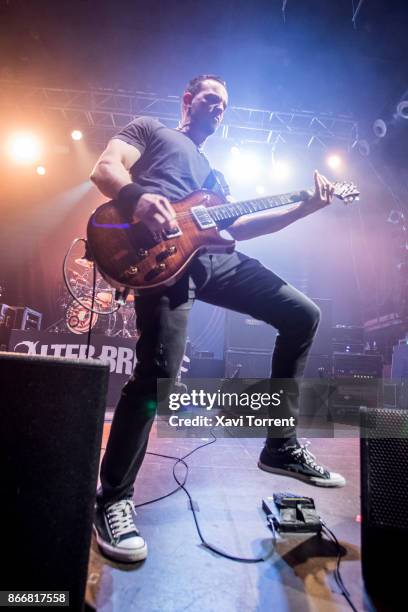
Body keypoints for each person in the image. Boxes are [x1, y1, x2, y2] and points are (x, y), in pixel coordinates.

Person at [90, 74, 345, 563]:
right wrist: (136, 197)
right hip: (159, 256)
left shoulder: (215, 177)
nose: (219, 108)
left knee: (302, 314)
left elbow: (238, 226)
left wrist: (304, 208)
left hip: (211, 259)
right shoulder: (150, 131)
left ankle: (281, 445)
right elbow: (105, 168)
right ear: (188, 100)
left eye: (225, 104)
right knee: (158, 376)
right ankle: (113, 499)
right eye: (212, 99)